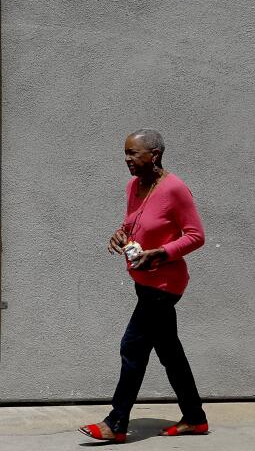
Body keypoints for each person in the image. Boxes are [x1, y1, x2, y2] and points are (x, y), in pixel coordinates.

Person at [80, 130, 208, 443]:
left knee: (132, 346)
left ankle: (117, 422)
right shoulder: (134, 186)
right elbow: (133, 223)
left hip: (165, 284)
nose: (127, 160)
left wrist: (161, 253)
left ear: (154, 155)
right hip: (143, 281)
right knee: (169, 352)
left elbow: (196, 236)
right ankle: (194, 418)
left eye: (133, 153)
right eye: (125, 153)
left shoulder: (175, 189)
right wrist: (120, 234)